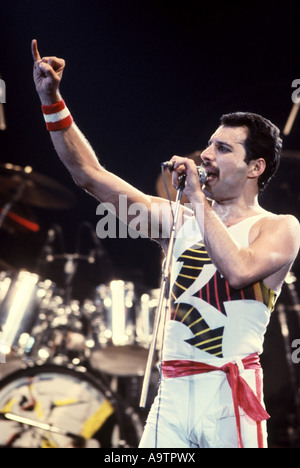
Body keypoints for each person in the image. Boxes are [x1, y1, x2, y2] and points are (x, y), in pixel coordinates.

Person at [31, 39, 300, 448]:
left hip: (228, 395)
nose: (206, 154)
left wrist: (196, 199)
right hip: (172, 394)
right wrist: (51, 99)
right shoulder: (176, 219)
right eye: (208, 144)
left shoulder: (279, 227)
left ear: (255, 168)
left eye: (223, 148)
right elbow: (88, 174)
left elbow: (240, 270)